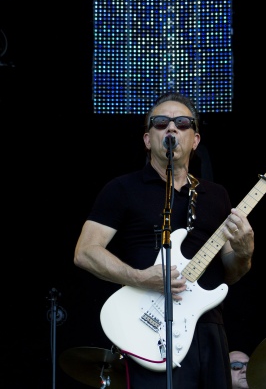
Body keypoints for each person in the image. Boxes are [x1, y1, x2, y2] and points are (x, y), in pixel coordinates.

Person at [74, 92, 255, 389]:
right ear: (147, 139)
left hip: (208, 328)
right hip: (149, 332)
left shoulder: (216, 195)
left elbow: (232, 273)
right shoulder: (122, 189)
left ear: (195, 140)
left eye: (182, 123)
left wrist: (245, 253)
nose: (172, 128)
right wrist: (140, 277)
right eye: (161, 123)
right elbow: (85, 252)